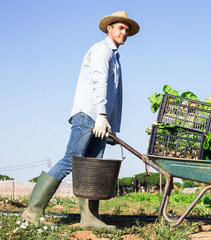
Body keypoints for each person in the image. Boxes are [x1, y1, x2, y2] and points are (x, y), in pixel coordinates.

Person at [21, 11, 140, 229]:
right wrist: (101, 116)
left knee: (93, 166)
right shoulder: (101, 50)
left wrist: (110, 125)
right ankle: (32, 211)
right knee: (71, 159)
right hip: (89, 114)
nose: (124, 32)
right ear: (109, 29)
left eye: (127, 29)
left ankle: (89, 218)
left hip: (100, 120)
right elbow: (98, 82)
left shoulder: (115, 56)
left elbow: (115, 94)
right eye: (120, 28)